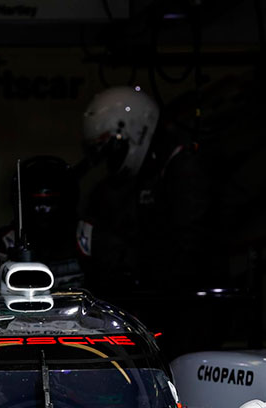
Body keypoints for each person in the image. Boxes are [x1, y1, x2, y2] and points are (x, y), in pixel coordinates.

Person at [79, 85, 221, 288]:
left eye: (114, 152)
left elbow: (190, 255)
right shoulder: (148, 172)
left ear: (137, 132)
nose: (111, 163)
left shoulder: (183, 168)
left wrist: (127, 259)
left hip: (186, 302)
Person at [0, 155, 96, 292]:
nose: (43, 210)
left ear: (68, 201)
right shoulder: (7, 242)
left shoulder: (86, 237)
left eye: (50, 202)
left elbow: (116, 284)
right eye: (35, 203)